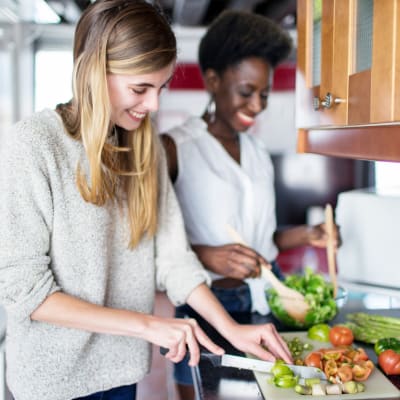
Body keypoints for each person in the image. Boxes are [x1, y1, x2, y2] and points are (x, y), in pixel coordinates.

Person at [0, 2, 294, 400]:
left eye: (161, 87)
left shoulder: (145, 149)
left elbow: (173, 259)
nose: (154, 105)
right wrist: (147, 325)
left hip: (122, 372)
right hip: (53, 382)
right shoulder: (33, 144)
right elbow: (24, 291)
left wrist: (231, 329)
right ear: (93, 72)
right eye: (140, 88)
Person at [162, 10, 340, 399]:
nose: (258, 105)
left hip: (264, 299)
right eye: (247, 91)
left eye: (264, 93)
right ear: (212, 80)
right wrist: (206, 255)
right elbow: (149, 245)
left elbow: (263, 237)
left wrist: (310, 234)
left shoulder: (258, 152)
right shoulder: (175, 148)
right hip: (207, 308)